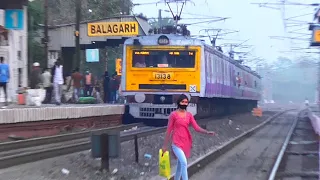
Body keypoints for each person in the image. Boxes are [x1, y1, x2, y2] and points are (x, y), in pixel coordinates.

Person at [162, 94, 216, 180]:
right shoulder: (173, 115)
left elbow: (196, 127)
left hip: (186, 142)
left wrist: (207, 132)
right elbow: (169, 130)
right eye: (182, 102)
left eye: (186, 102)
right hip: (176, 143)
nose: (184, 104)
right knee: (184, 163)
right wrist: (165, 145)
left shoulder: (189, 115)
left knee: (180, 165)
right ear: (179, 102)